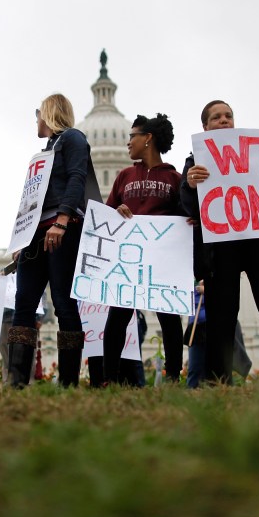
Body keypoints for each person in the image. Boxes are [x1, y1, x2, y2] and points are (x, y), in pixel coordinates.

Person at [180, 100, 259, 386]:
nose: (224, 120)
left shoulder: (257, 155)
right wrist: (189, 184)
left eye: (228, 115)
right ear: (205, 126)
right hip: (221, 247)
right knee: (222, 315)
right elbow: (188, 207)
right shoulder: (196, 161)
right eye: (216, 117)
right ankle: (219, 380)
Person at [7, 94, 100, 387]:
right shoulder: (45, 152)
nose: (36, 120)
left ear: (47, 114)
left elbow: (76, 177)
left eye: (38, 114)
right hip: (36, 234)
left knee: (63, 302)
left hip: (63, 229)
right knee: (24, 303)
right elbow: (31, 200)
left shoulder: (73, 138)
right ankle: (17, 381)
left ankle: (68, 382)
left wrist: (62, 220)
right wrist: (21, 239)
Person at [101, 113, 185, 384]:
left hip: (161, 261)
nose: (128, 143)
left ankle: (172, 378)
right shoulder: (124, 176)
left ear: (148, 138)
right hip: (129, 260)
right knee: (117, 319)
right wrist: (116, 210)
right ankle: (109, 380)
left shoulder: (174, 178)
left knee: (169, 320)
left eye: (132, 136)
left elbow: (185, 217)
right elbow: (105, 214)